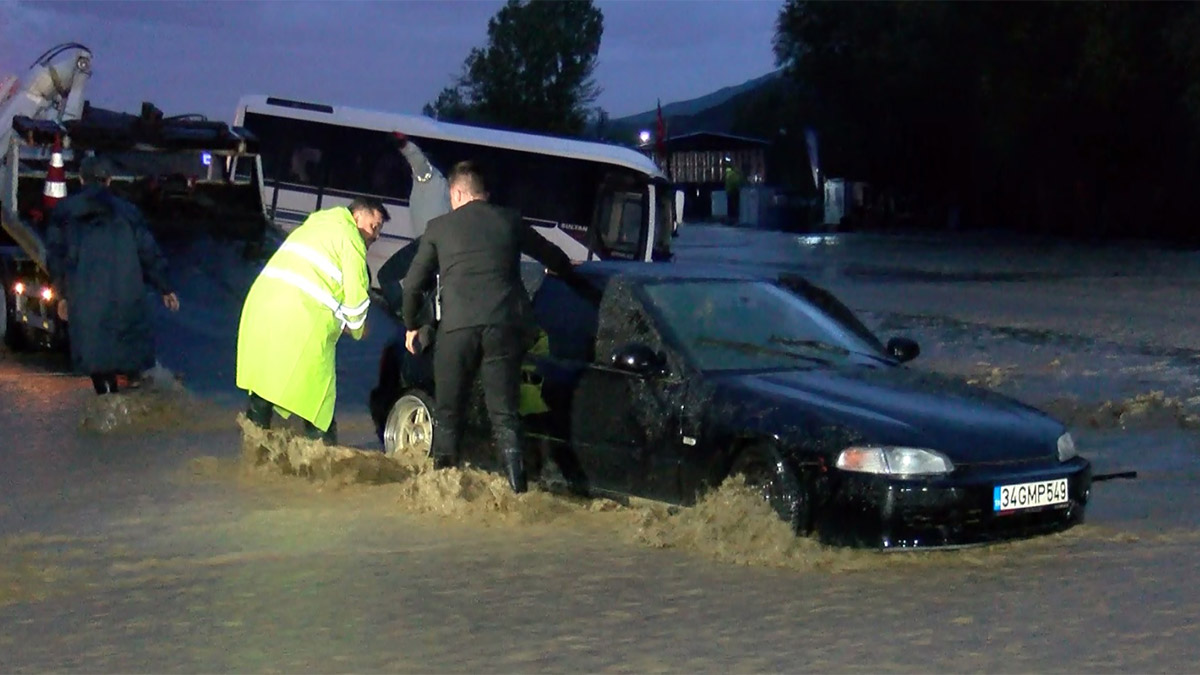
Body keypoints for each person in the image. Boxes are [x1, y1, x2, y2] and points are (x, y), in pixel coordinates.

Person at [400, 161, 575, 493]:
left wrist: (411, 325)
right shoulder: (509, 220)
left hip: (457, 329)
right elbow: (551, 254)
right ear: (484, 193)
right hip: (504, 326)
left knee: (449, 414)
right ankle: (518, 490)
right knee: (505, 414)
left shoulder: (439, 227)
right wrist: (567, 271)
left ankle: (441, 492)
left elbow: (412, 285)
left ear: (458, 193)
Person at [236, 197, 388, 444]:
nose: (376, 234)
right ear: (358, 215)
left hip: (261, 308)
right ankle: (324, 464)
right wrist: (359, 328)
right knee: (319, 405)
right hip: (299, 320)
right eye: (375, 225)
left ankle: (253, 452)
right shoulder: (350, 238)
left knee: (264, 387)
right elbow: (356, 296)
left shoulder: (318, 221)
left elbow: (318, 281)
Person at [44, 155, 180, 395]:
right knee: (130, 357)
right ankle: (134, 411)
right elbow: (149, 252)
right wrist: (165, 287)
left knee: (99, 364)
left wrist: (61, 296)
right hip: (126, 299)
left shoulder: (65, 212)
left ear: (81, 179)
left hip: (86, 301)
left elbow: (56, 258)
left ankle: (108, 412)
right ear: (109, 180)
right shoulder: (129, 213)